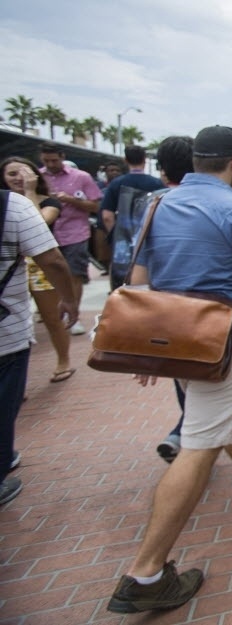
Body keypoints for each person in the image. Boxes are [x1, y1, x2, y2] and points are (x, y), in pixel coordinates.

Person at [106, 126, 232, 614]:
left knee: (221, 410)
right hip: (221, 343)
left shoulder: (159, 205)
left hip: (176, 344)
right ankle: (146, 573)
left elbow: (139, 279)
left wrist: (145, 348)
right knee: (199, 443)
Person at [0, 188, 78, 505]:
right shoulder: (12, 206)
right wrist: (70, 299)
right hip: (6, 333)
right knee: (5, 403)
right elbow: (52, 259)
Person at [142, 136, 196, 464]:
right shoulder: (224, 204)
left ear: (163, 172)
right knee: (219, 398)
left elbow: (135, 270)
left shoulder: (152, 205)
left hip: (165, 313)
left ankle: (182, 430)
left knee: (186, 381)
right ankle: (185, 437)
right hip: (214, 315)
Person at [0, 157, 75, 383]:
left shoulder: (48, 201)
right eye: (11, 173)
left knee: (52, 317)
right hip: (13, 269)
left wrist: (29, 193)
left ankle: (64, 359)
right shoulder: (6, 203)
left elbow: (40, 223)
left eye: (23, 172)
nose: (18, 178)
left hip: (40, 267)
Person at [38, 142, 103, 336]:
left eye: (54, 160)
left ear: (62, 157)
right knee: (46, 277)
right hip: (45, 234)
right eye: (46, 161)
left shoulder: (81, 177)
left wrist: (70, 200)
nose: (51, 164)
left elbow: (95, 206)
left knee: (75, 275)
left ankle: (73, 314)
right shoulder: (37, 177)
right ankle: (53, 313)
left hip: (75, 233)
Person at [101, 145, 164, 291]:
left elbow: (107, 216)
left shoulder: (116, 183)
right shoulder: (156, 184)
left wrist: (114, 235)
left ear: (125, 160)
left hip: (123, 240)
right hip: (149, 238)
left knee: (120, 281)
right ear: (144, 160)